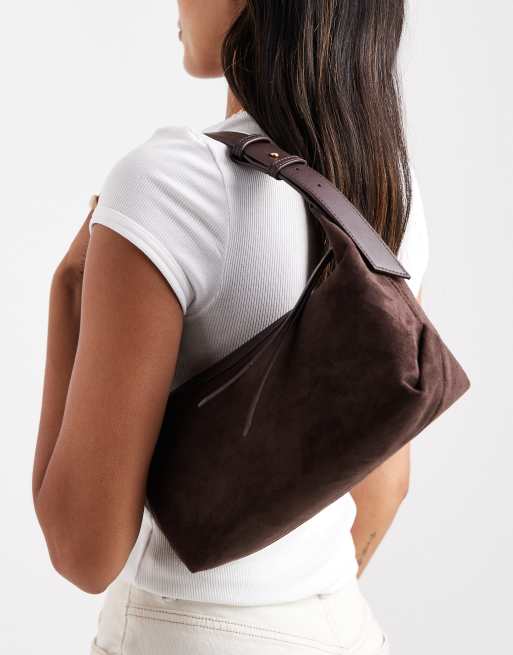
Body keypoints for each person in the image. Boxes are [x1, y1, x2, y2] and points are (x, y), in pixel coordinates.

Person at [32, 1, 429, 653]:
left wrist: (68, 287)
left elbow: (83, 550)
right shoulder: (387, 195)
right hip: (343, 627)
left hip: (183, 632)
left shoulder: (171, 184)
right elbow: (386, 486)